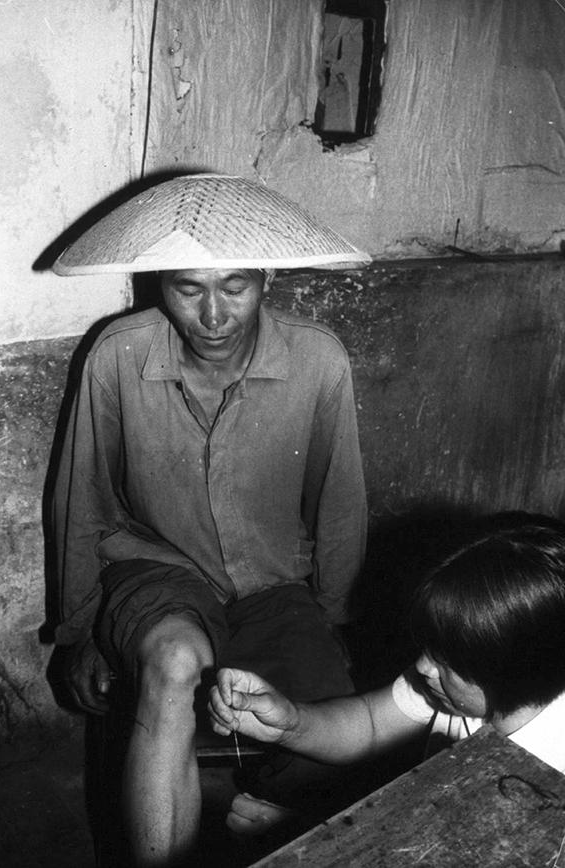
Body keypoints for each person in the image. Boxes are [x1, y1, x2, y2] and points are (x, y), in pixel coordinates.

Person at [50, 175, 368, 866]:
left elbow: (338, 501)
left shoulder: (318, 360)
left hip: (276, 584)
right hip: (156, 569)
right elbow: (82, 501)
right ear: (159, 285)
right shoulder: (118, 354)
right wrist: (82, 631)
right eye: (189, 288)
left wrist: (336, 622)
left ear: (268, 278)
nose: (215, 314)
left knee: (323, 755)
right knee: (171, 663)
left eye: (236, 286)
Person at [210, 518, 565, 833]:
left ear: (510, 672)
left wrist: (306, 834)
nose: (423, 667)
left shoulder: (548, 774)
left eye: (446, 659)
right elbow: (370, 723)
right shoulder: (456, 685)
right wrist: (291, 723)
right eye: (430, 648)